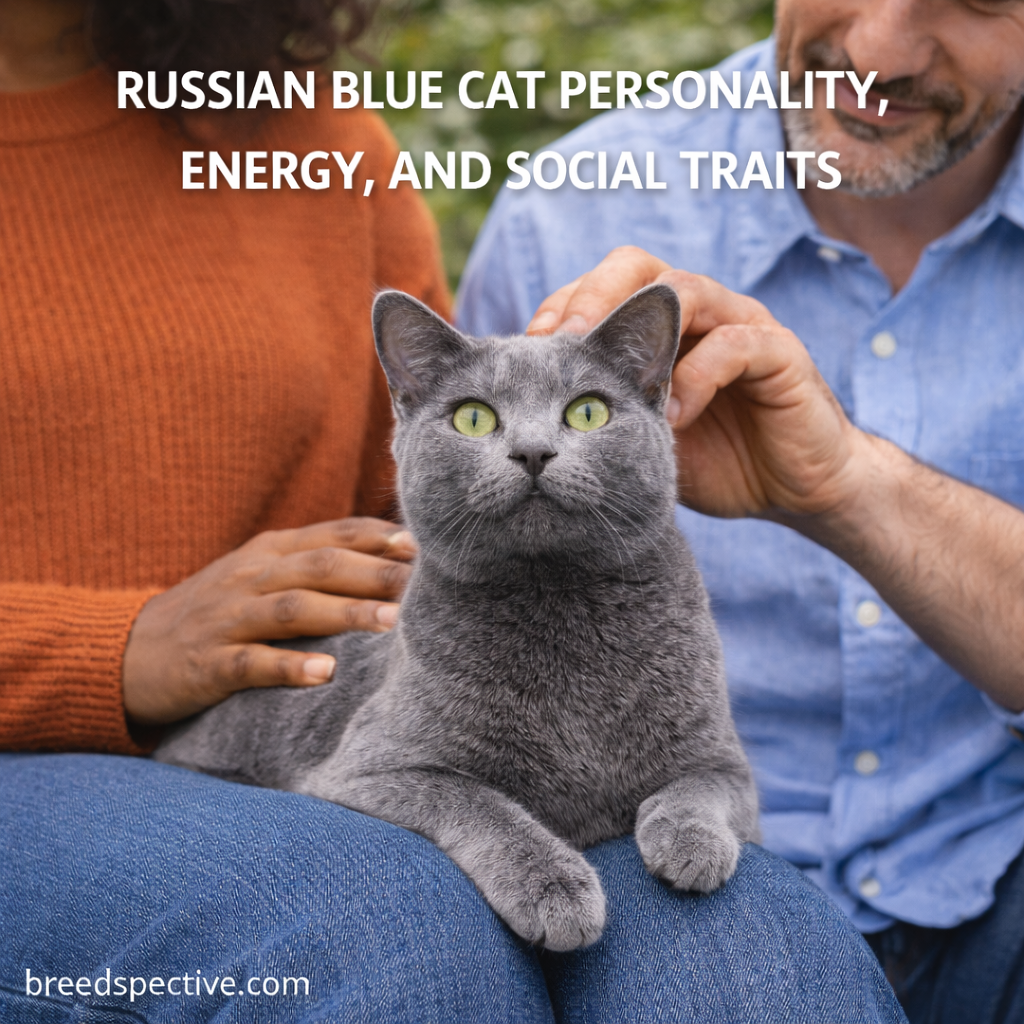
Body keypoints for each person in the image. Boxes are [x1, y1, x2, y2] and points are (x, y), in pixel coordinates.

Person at [0, 2, 905, 1022]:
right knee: (396, 936)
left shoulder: (314, 138)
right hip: (42, 759)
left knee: (760, 952)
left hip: (344, 698)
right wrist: (108, 650)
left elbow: (428, 465)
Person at [458, 0, 1024, 1021]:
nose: (874, 54)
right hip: (654, 876)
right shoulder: (566, 219)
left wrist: (846, 484)